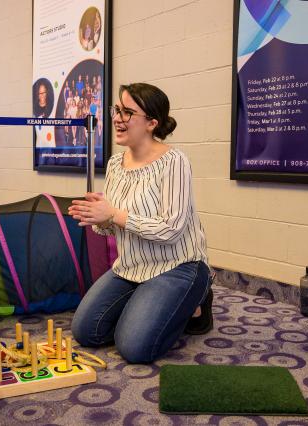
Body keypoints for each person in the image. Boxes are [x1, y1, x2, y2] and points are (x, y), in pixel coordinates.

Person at [68, 82, 212, 364]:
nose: (118, 118)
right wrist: (97, 216)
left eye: (128, 112)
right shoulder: (113, 164)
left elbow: (171, 229)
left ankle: (199, 300)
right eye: (117, 109)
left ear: (151, 123)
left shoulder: (175, 161)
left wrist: (113, 215)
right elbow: (109, 227)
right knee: (85, 331)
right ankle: (147, 302)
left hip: (177, 266)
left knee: (134, 348)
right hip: (131, 267)